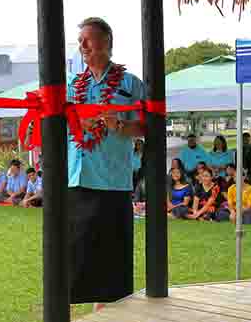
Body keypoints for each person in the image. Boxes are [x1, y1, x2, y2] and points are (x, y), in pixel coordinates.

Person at [67, 17, 145, 306]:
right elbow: (56, 121)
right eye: (80, 41)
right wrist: (77, 122)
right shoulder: (71, 84)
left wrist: (120, 126)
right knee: (78, 256)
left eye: (88, 39)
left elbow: (146, 127)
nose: (82, 46)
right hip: (78, 178)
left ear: (107, 42)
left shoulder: (130, 84)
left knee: (112, 257)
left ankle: (107, 312)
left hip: (113, 180)